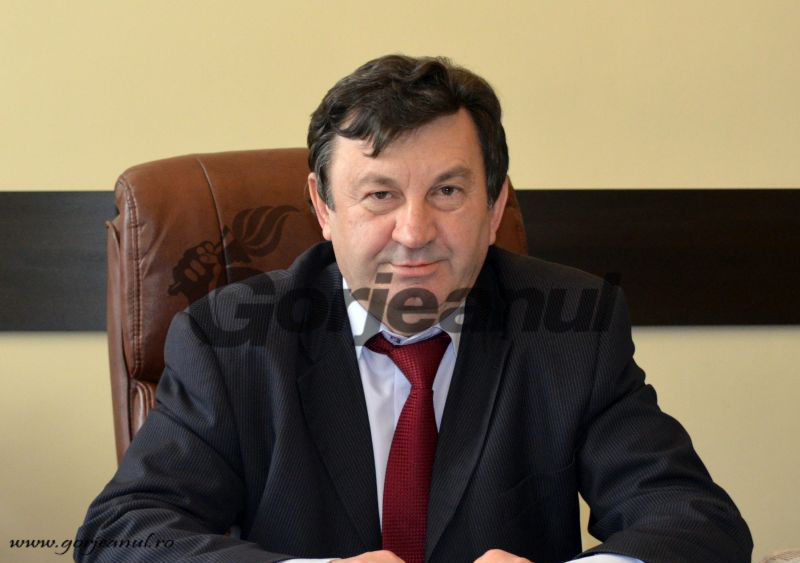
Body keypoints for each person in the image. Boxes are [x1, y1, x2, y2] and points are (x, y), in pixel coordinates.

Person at [75, 54, 752, 563]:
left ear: (495, 206)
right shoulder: (229, 339)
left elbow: (696, 521)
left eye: (448, 191)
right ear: (323, 208)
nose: (414, 230)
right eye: (379, 195)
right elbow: (121, 532)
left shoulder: (574, 328)